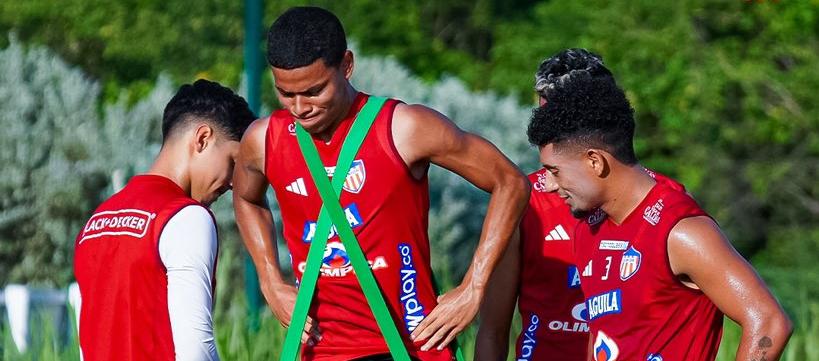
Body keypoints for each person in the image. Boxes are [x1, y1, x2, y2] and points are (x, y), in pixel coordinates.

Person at [232, 6, 529, 360]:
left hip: (412, 345)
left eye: (314, 91)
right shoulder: (264, 139)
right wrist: (270, 281)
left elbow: (510, 181)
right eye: (286, 93)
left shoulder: (404, 128)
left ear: (346, 65)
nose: (300, 107)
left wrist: (473, 286)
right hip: (321, 350)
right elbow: (247, 199)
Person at [526, 72, 793, 360]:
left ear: (595, 161)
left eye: (555, 171)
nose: (550, 184)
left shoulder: (682, 231)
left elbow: (769, 322)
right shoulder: (588, 230)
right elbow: (603, 336)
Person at [476, 48, 683, 361]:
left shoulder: (667, 202)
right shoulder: (524, 200)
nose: (555, 131)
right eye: (547, 116)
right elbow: (492, 328)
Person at [74, 79, 255, 361]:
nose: (234, 182)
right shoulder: (187, 217)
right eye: (233, 162)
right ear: (203, 138)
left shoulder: (96, 222)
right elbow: (195, 349)